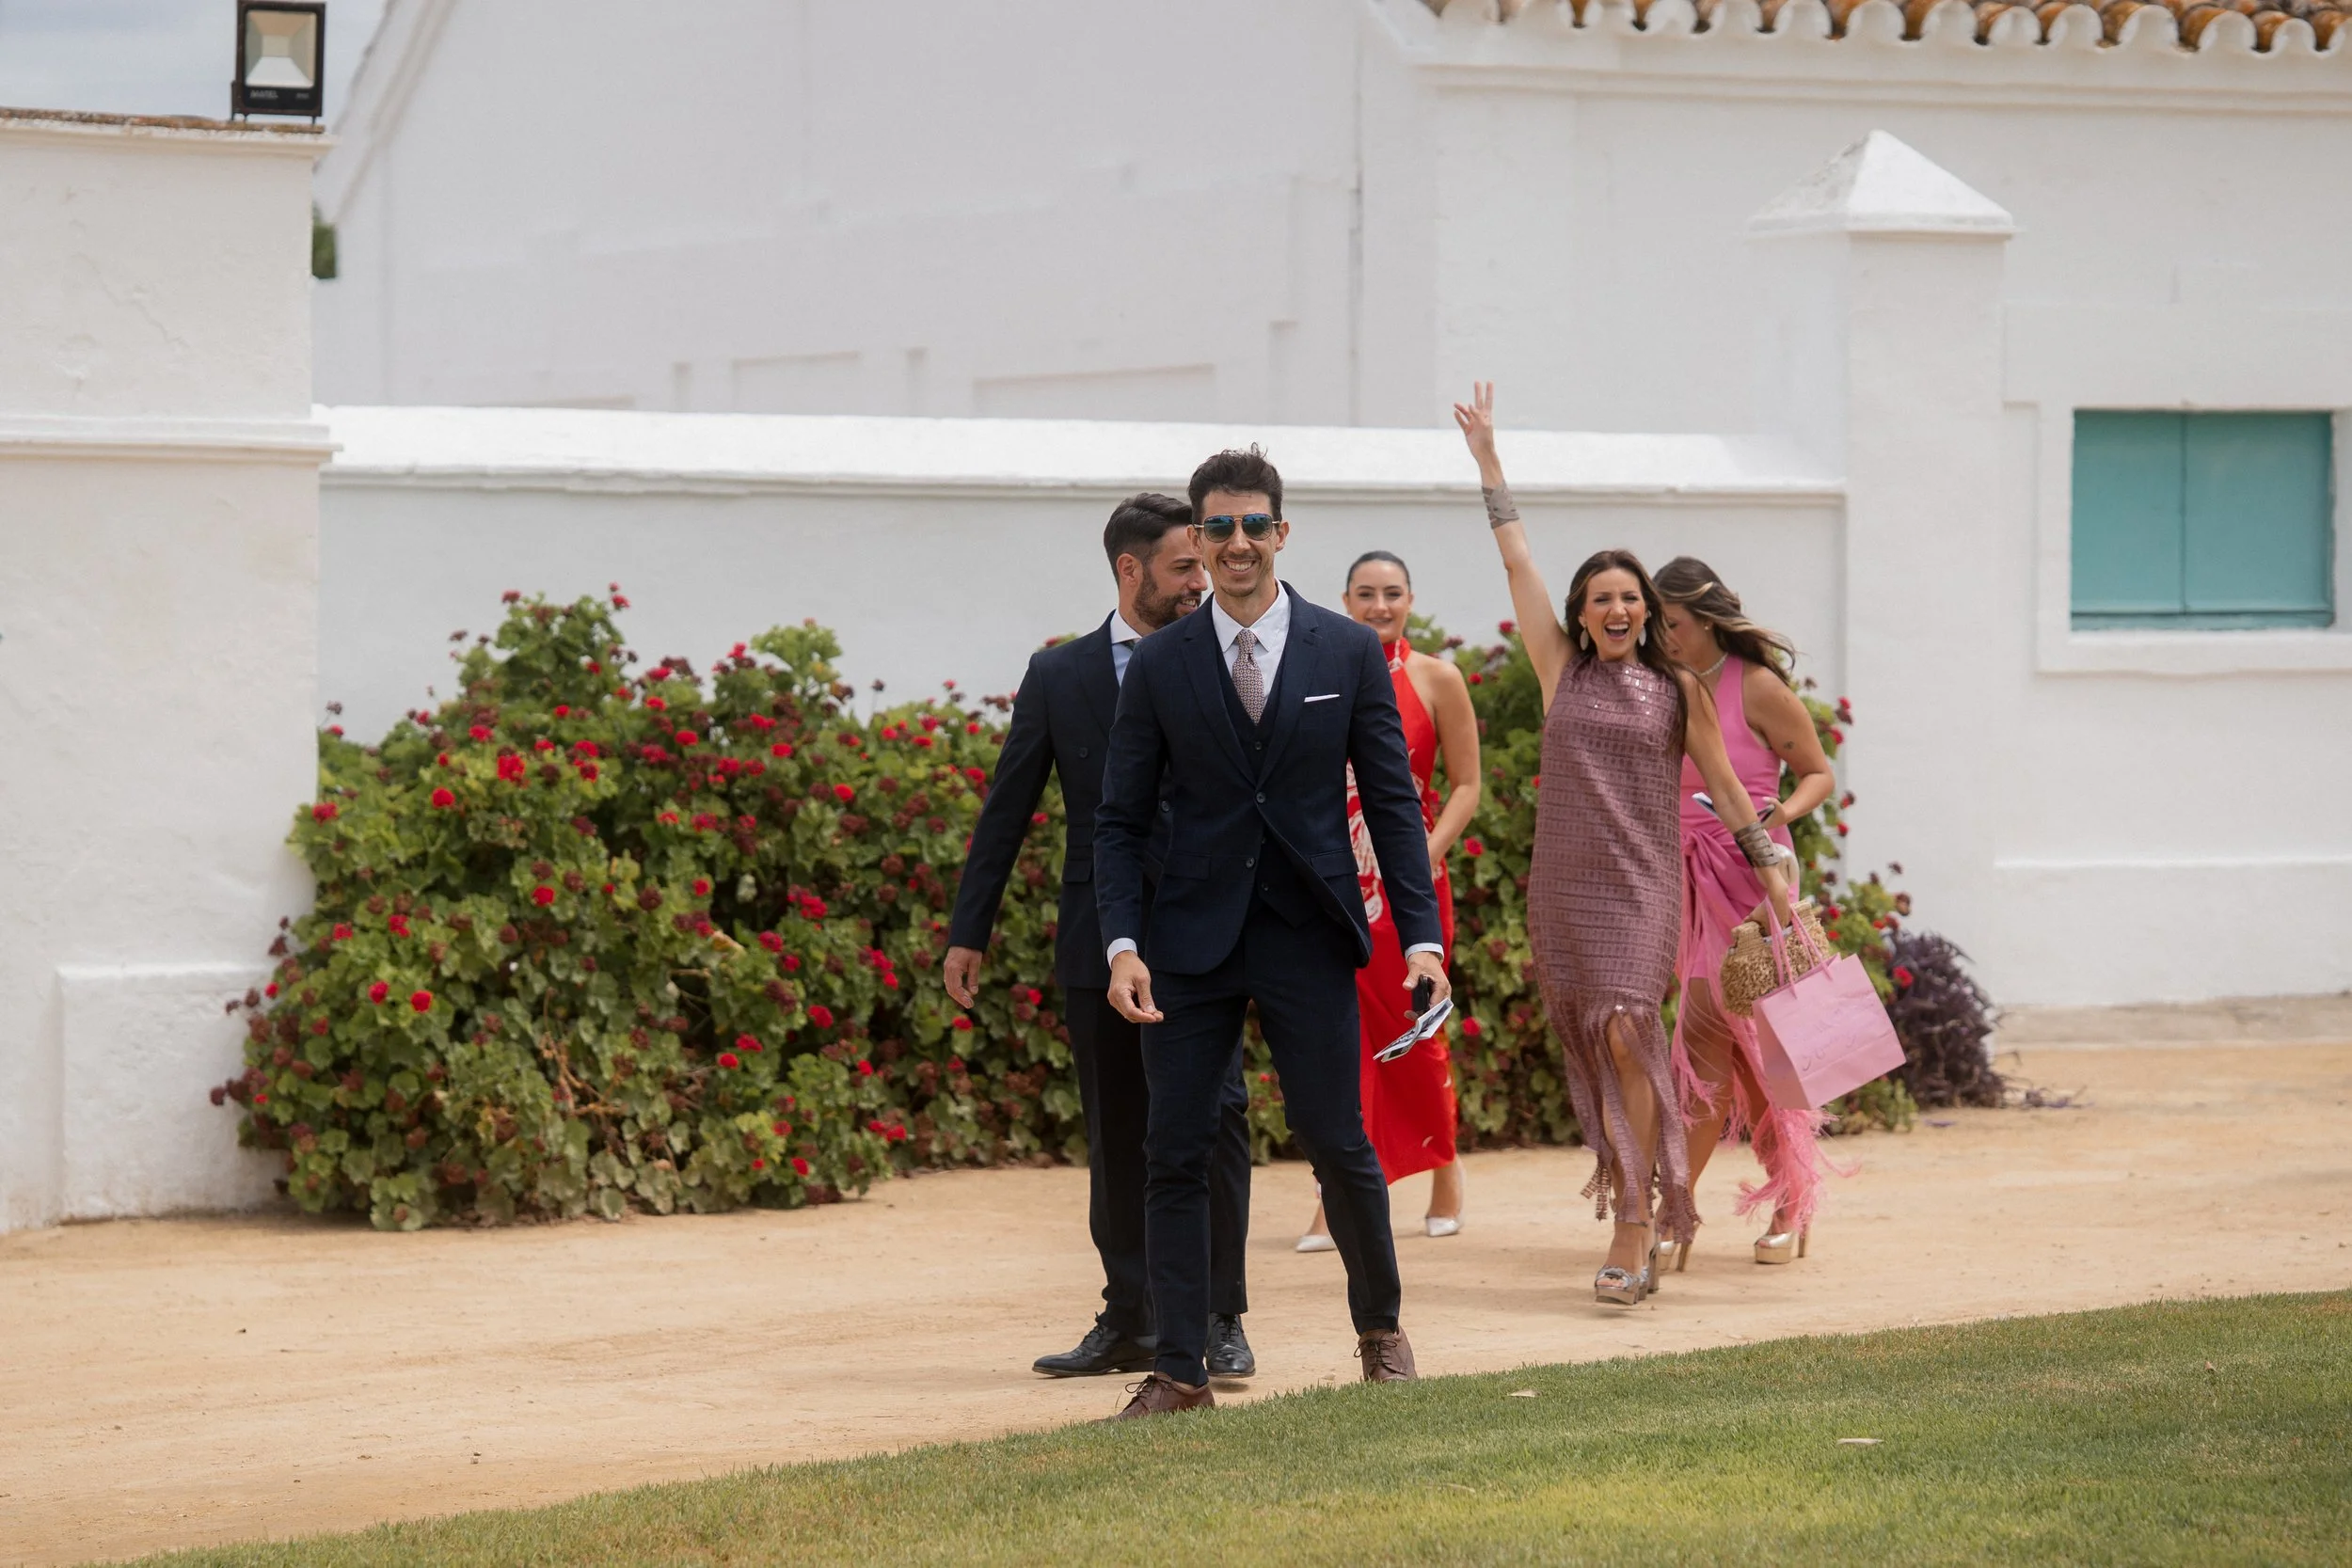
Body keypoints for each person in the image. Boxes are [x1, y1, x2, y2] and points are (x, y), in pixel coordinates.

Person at [1095, 446, 1449, 1417]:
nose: (1238, 541)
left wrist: (1419, 935)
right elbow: (1119, 819)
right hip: (1187, 942)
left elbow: (1394, 803)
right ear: (1199, 538)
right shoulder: (1160, 662)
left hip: (1307, 933)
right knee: (1174, 1149)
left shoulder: (1345, 651)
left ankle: (1380, 1333)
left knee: (1337, 1140)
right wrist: (1122, 944)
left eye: (1254, 523)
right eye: (1219, 526)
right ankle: (1181, 1370)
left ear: (1281, 532)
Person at [1451, 383, 1791, 1307]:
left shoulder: (1678, 689)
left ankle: (1634, 1218)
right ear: (1581, 610)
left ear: (1647, 612)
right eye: (1599, 596)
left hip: (1644, 888)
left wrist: (1771, 869)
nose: (1614, 607)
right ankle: (1637, 1196)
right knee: (1600, 1042)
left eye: (1628, 597)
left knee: (1628, 1029)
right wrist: (1489, 462)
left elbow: (1726, 787)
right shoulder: (1559, 670)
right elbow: (1517, 559)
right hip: (1568, 887)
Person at [944, 493, 1258, 1382]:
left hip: (1205, 932)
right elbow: (1008, 806)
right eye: (1185, 566)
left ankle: (1220, 1316)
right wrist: (970, 931)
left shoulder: (1229, 657)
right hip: (1097, 936)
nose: (1201, 580)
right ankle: (1129, 1316)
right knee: (1117, 1133)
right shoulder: (1060, 675)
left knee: (1217, 1119)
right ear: (1130, 569)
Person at [1653, 558, 1837, 1268]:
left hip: (1754, 884)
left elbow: (1818, 772)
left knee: (1732, 1044)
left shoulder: (1755, 685)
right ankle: (1785, 1196)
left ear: (1705, 620)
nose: (1661, 634)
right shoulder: (1659, 685)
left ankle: (1680, 1209)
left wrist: (1780, 812)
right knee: (1741, 1055)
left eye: (1671, 622)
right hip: (1686, 883)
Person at [1296, 550, 1479, 1253]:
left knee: (1419, 1028)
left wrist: (1423, 854)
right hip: (1332, 884)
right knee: (1335, 1041)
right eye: (1366, 594)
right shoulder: (1318, 674)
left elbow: (1467, 784)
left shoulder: (1437, 678)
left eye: (1392, 593)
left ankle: (1445, 1170)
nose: (1379, 606)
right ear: (1345, 601)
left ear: (1410, 600)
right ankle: (1333, 1195)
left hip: (1410, 886)